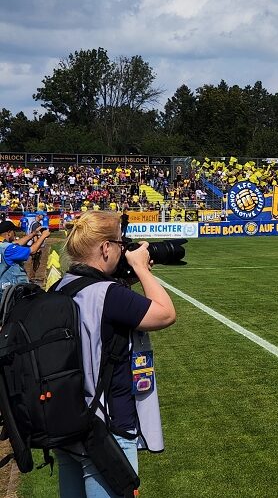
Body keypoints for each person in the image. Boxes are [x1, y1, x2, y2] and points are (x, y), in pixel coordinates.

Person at [55, 210, 176, 498]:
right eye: (122, 245)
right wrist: (143, 269)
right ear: (106, 248)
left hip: (68, 420)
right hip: (105, 428)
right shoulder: (107, 294)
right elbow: (166, 314)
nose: (125, 251)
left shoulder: (61, 285)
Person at [0, 218, 48, 291]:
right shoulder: (8, 249)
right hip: (12, 289)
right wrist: (43, 236)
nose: (15, 234)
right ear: (9, 233)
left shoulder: (3, 245)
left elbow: (17, 243)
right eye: (14, 232)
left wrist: (33, 234)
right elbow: (32, 251)